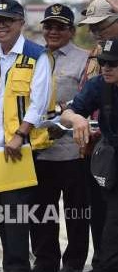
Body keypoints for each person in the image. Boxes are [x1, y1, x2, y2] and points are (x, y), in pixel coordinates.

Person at [0, 0, 52, 272]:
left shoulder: (36, 55)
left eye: (7, 20)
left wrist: (20, 134)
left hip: (22, 149)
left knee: (17, 219)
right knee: (5, 218)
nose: (1, 25)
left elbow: (39, 103)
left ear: (21, 23)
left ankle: (17, 268)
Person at [28, 4, 90, 272]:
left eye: (60, 27)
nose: (53, 31)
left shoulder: (86, 59)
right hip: (39, 151)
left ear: (72, 31)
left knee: (76, 214)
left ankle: (74, 264)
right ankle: (45, 263)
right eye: (49, 26)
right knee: (41, 214)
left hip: (73, 150)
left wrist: (65, 109)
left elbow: (89, 99)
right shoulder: (32, 58)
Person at [61, 38, 118, 272]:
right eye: (103, 62)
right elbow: (67, 114)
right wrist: (76, 118)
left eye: (113, 64)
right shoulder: (98, 86)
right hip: (111, 168)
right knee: (110, 239)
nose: (106, 67)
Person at [76, 0, 118, 268]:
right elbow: (78, 104)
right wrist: (78, 119)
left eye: (101, 26)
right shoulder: (100, 58)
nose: (96, 32)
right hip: (104, 152)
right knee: (105, 222)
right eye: (92, 28)